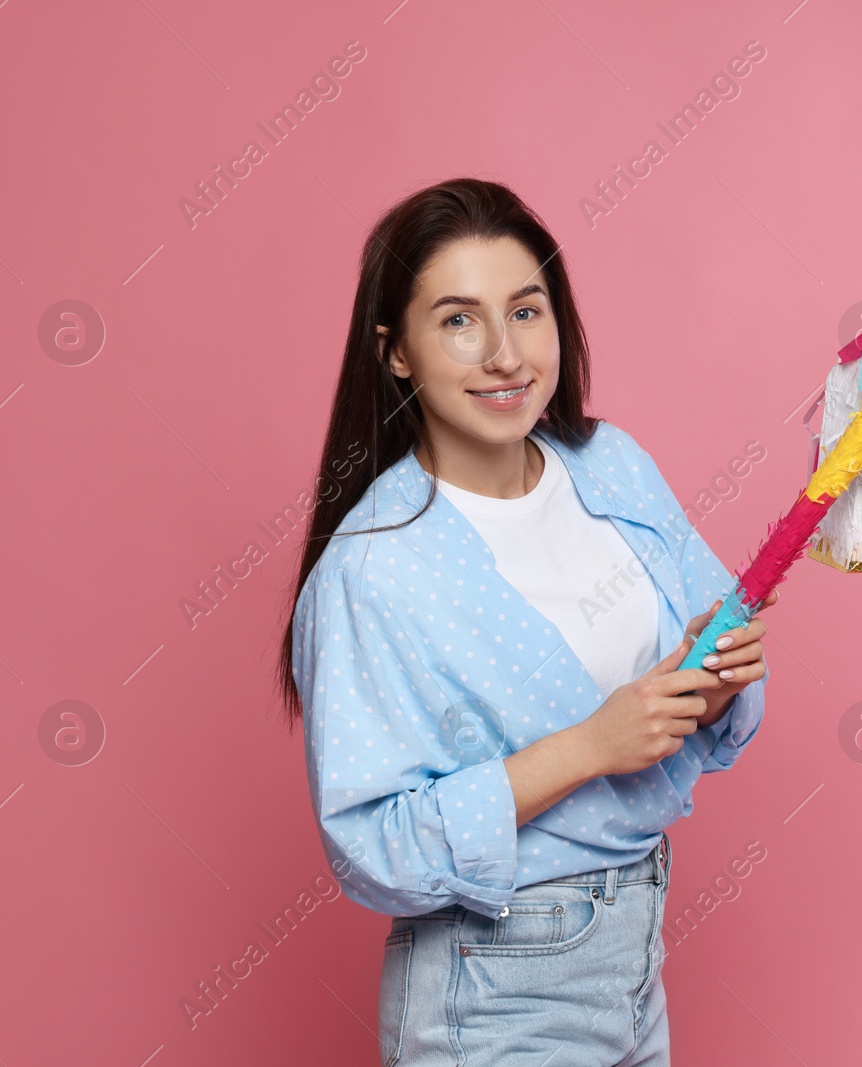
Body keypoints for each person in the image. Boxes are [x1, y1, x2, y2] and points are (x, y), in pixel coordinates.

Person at [276, 177, 772, 1066]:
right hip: (494, 988)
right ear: (397, 353)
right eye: (460, 321)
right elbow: (371, 846)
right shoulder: (373, 567)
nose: (506, 355)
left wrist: (714, 676)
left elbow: (697, 695)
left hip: (634, 957)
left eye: (528, 311)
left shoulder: (608, 464)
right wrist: (591, 744)